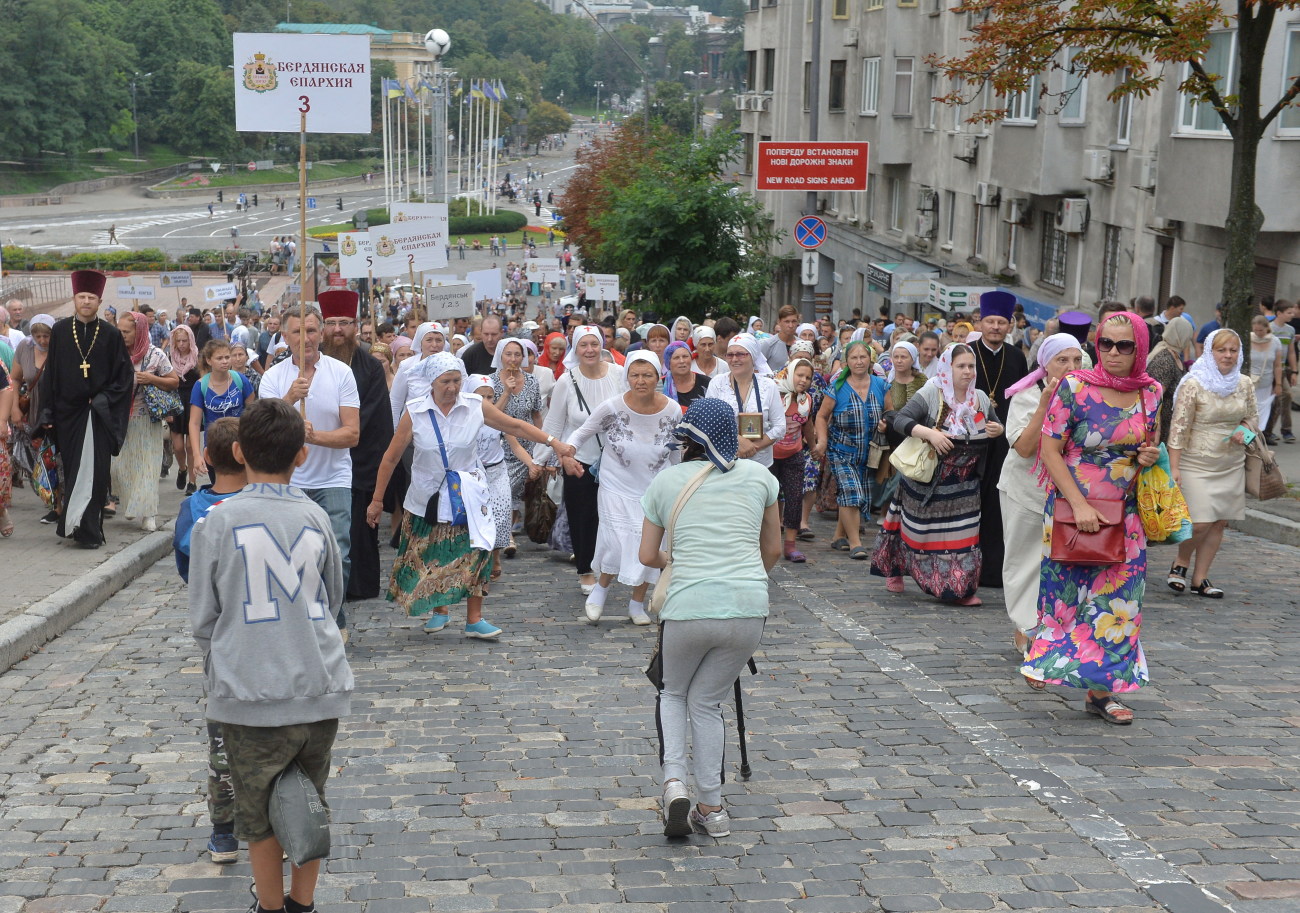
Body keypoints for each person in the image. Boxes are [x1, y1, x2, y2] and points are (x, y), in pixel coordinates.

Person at [188, 398, 353, 913]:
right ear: (301, 456)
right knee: (308, 801)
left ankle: (270, 907)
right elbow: (334, 597)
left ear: (238, 451)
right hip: (317, 685)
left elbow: (204, 616)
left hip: (249, 688)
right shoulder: (317, 516)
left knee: (257, 811)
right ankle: (303, 903)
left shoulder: (217, 522)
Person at [640, 397, 781, 839]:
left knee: (673, 692)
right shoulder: (761, 476)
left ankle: (674, 783)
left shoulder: (666, 482)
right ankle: (713, 808)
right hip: (747, 606)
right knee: (707, 702)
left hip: (688, 605)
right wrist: (739, 578)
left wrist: (680, 562)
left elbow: (647, 555)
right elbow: (773, 551)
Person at [367, 354, 577, 637]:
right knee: (431, 556)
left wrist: (554, 443)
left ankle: (474, 619)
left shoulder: (475, 406)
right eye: (446, 382)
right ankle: (438, 609)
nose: (452, 388)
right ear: (432, 383)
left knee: (477, 553)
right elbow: (391, 459)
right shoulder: (414, 411)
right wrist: (378, 500)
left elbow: (514, 426)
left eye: (457, 381)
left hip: (468, 495)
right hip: (427, 498)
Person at [1023, 312, 1161, 725]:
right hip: (1072, 509)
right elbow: (1050, 450)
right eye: (1105, 344)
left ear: (1140, 348)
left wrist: (1149, 455)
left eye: (1125, 346)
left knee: (1120, 602)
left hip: (1126, 512)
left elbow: (1147, 442)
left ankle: (1103, 693)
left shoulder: (1151, 391)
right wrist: (1080, 505)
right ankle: (1052, 661)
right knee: (1068, 598)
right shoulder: (1074, 387)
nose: (1113, 353)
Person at [871, 344, 1003, 604]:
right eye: (961, 366)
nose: (967, 372)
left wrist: (998, 429)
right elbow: (897, 418)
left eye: (970, 366)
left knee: (963, 539)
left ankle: (958, 589)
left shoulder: (980, 398)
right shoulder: (932, 391)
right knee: (915, 533)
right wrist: (929, 433)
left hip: (965, 485)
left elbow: (995, 422)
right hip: (927, 482)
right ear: (947, 367)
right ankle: (896, 569)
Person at [259, 304, 361, 634]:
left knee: (337, 554)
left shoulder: (341, 373)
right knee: (290, 555)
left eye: (312, 330)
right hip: (290, 480)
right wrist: (289, 398)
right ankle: (299, 621)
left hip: (333, 478)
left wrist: (314, 436)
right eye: (298, 331)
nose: (307, 338)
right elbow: (262, 431)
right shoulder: (274, 378)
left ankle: (333, 619)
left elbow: (352, 434)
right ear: (285, 337)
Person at [171, 417, 246, 863]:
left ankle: (223, 831)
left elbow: (188, 569)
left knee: (221, 737)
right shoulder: (269, 505)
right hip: (265, 638)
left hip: (220, 638)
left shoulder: (193, 510)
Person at [564, 350, 681, 625]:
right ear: (627, 376)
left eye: (647, 375)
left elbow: (676, 451)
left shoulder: (673, 410)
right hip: (615, 484)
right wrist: (567, 452)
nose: (641, 381)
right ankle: (600, 590)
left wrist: (678, 482)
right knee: (616, 543)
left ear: (658, 377)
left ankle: (637, 603)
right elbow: (582, 432)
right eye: (635, 375)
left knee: (649, 547)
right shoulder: (612, 407)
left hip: (654, 488)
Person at [996, 334, 1083, 656]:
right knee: (1024, 561)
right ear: (1045, 364)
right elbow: (1023, 447)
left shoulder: (1085, 395)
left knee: (1059, 565)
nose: (1071, 367)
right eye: (1062, 360)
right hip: (1025, 491)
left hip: (1066, 493)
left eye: (1077, 360)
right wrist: (1045, 405)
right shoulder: (1026, 395)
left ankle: (1054, 629)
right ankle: (1024, 626)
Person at [37, 271, 134, 549]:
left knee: (97, 472)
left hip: (99, 414)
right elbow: (51, 374)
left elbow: (124, 377)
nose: (87, 302)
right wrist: (47, 413)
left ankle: (90, 530)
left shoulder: (112, 334)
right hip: (69, 413)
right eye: (82, 297)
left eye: (92, 297)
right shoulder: (60, 330)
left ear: (100, 301)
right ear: (74, 298)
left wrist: (102, 400)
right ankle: (73, 524)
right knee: (75, 470)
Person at [1166, 329, 1257, 598]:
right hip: (1197, 461)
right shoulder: (1193, 383)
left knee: (1218, 523)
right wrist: (1174, 467)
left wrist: (1246, 431)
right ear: (1209, 352)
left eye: (1233, 350)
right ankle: (1180, 563)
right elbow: (1178, 428)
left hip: (1230, 462)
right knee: (1200, 522)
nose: (1228, 356)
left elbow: (1253, 418)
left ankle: (1200, 577)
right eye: (1221, 350)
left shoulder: (1244, 384)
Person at [536, 327, 626, 594]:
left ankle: (610, 565)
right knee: (582, 516)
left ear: (602, 346)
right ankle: (585, 569)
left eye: (594, 344)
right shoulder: (567, 380)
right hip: (579, 459)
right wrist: (540, 460)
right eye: (583, 345)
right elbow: (555, 421)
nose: (589, 350)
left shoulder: (619, 375)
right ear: (575, 349)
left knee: (613, 516)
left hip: (615, 459)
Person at [319, 290, 394, 603]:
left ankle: (355, 588)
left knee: (357, 534)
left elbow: (376, 422)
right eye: (332, 323)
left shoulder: (369, 367)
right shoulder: (307, 363)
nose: (338, 329)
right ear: (323, 326)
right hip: (316, 461)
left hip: (359, 463)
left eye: (345, 323)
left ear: (356, 326)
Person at [969, 291, 1029, 588]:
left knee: (996, 505)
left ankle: (992, 570)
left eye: (1001, 322)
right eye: (990, 321)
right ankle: (964, 566)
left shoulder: (1017, 357)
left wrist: (1006, 429)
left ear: (1010, 325)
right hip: (967, 440)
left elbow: (1024, 400)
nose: (995, 327)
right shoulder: (965, 354)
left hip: (1005, 443)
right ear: (980, 322)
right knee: (968, 504)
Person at [812, 340, 888, 559]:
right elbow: (821, 416)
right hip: (840, 449)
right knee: (852, 493)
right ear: (846, 361)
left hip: (867, 452)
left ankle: (838, 537)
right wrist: (823, 441)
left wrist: (885, 423)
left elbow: (890, 413)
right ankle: (856, 543)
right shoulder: (837, 387)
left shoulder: (881, 385)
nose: (859, 361)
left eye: (863, 357)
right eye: (853, 358)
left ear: (870, 360)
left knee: (857, 494)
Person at [110, 312, 179, 532]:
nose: (121, 335)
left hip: (148, 420)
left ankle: (148, 514)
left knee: (147, 469)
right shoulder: (113, 353)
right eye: (119, 331)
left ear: (139, 331)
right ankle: (133, 503)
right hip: (119, 421)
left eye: (126, 332)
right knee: (119, 468)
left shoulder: (155, 355)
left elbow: (174, 381)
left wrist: (152, 379)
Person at [488, 337, 543, 550]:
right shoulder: (490, 381)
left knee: (517, 489)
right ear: (500, 356)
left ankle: (509, 530)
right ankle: (506, 532)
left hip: (527, 441)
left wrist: (541, 440)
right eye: (508, 354)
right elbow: (490, 414)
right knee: (507, 488)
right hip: (500, 441)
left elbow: (536, 414)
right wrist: (507, 391)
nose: (513, 359)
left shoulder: (532, 381)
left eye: (517, 354)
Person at [704, 334, 785, 470]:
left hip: (760, 465)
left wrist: (752, 447)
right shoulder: (717, 383)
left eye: (741, 354)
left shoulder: (768, 385)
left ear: (753, 357)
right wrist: (738, 442)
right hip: (725, 462)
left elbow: (780, 426)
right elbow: (709, 423)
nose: (734, 359)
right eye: (730, 355)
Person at [188, 340, 256, 482]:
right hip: (215, 447)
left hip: (241, 445)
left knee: (243, 489)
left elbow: (252, 414)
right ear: (209, 360)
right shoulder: (200, 386)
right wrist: (197, 455)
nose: (225, 361)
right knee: (221, 489)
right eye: (219, 358)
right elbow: (194, 423)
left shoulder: (240, 380)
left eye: (227, 357)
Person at [771, 357, 816, 562]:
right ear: (790, 373)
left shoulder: (806, 400)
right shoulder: (773, 393)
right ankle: (766, 543)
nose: (804, 380)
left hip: (794, 454)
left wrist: (813, 447)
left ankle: (790, 546)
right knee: (768, 499)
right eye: (800, 375)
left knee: (794, 498)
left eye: (808, 377)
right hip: (769, 455)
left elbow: (807, 424)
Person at [1146, 315, 1195, 445]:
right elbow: (1154, 398)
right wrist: (1156, 431)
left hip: (1170, 427)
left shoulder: (1174, 355)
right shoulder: (1165, 360)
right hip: (1160, 431)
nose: (1188, 340)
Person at [1248, 315, 1284, 445]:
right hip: (1250, 382)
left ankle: (1259, 437)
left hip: (1267, 382)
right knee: (1249, 411)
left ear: (1266, 328)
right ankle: (1248, 438)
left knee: (1263, 411)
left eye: (1261, 331)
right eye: (1256, 330)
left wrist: (1278, 384)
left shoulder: (1275, 342)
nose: (1258, 333)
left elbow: (1278, 365)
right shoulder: (1248, 339)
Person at [662, 341, 706, 412]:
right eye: (676, 358)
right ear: (668, 362)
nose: (682, 361)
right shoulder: (659, 384)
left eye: (685, 356)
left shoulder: (706, 382)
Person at [759, 304, 800, 373]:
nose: (791, 325)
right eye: (787, 321)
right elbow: (758, 368)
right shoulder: (768, 344)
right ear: (779, 322)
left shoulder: (801, 344)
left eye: (794, 321)